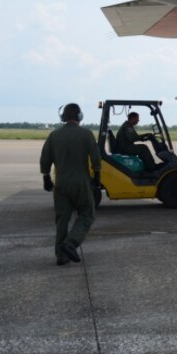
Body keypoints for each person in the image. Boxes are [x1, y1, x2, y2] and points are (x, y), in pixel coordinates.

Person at [40, 103, 101, 266]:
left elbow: (45, 158)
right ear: (79, 116)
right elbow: (96, 158)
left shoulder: (54, 135)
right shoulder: (86, 134)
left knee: (62, 220)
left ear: (63, 117)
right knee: (87, 214)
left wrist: (46, 177)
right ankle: (71, 243)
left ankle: (61, 255)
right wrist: (97, 176)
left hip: (61, 183)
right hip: (81, 181)